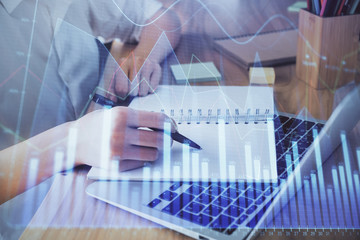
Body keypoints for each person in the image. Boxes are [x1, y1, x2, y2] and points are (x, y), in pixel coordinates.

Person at [0, 0, 181, 204]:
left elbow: (164, 18)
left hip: (102, 178)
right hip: (30, 210)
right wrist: (72, 143)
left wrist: (140, 59)